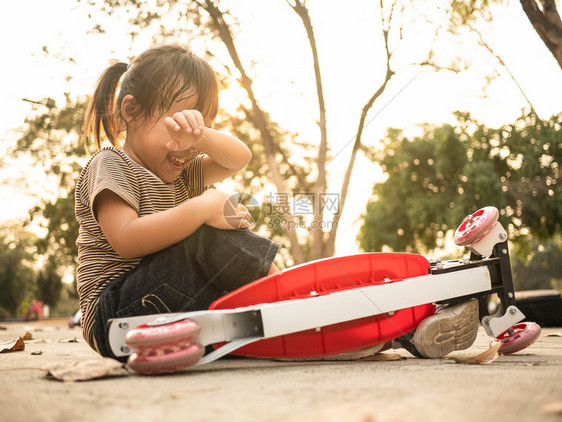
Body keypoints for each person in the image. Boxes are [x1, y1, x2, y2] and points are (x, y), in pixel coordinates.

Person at [75, 44, 279, 359]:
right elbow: (127, 239)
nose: (188, 146)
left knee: (215, 230)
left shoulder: (183, 174)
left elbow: (239, 158)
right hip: (114, 314)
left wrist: (200, 135)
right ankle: (288, 299)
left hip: (166, 301)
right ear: (131, 111)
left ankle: (276, 311)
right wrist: (202, 209)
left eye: (198, 129)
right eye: (179, 125)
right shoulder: (111, 163)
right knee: (205, 232)